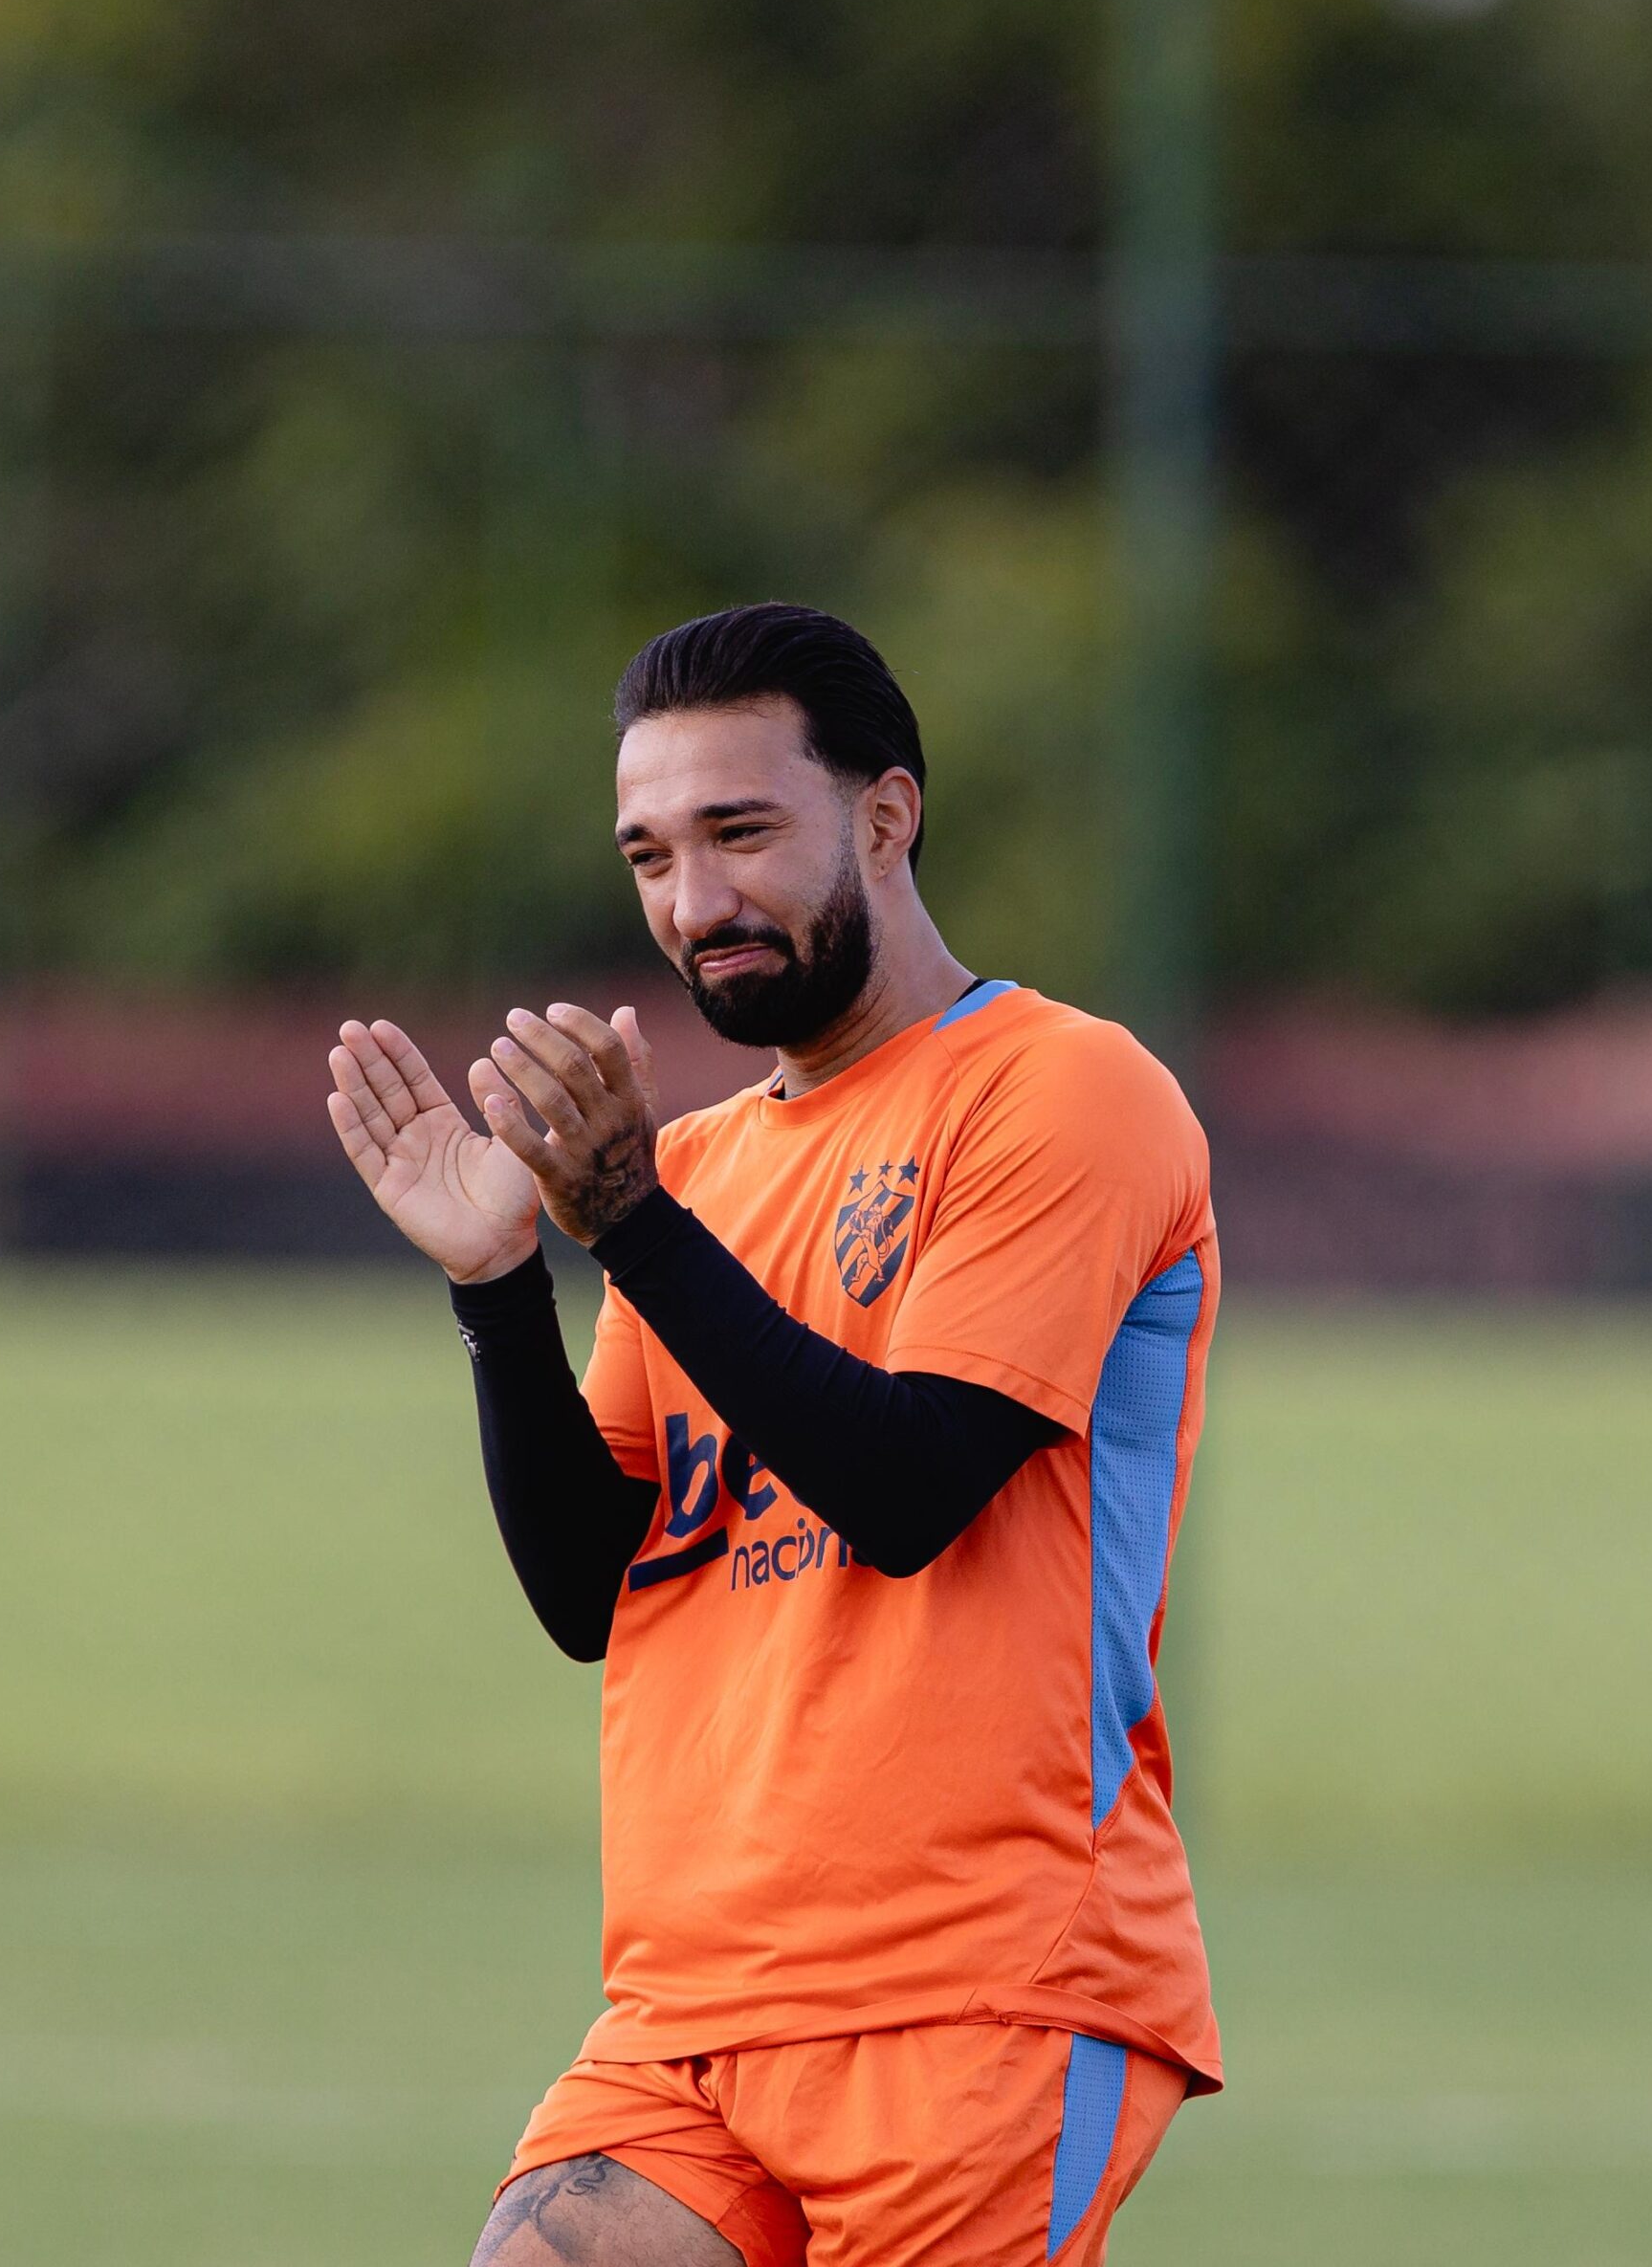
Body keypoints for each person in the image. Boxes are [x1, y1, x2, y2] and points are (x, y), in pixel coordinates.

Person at [325, 603, 1221, 2267]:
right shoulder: (700, 1166)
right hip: (693, 2006)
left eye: (740, 833)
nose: (695, 903)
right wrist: (501, 1286)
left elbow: (907, 1489)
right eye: (651, 855)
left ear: (886, 817)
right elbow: (593, 1589)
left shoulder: (1060, 1092)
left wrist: (631, 1229)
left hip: (982, 1992)